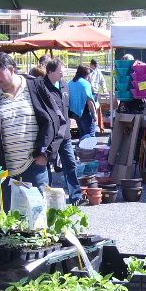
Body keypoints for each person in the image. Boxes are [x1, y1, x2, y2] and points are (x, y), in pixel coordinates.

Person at [0, 52, 57, 206]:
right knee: (12, 224)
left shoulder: (35, 87)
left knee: (38, 219)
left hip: (34, 167)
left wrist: (46, 153)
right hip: (7, 173)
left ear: (11, 69)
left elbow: (56, 121)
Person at [43, 59, 83, 205]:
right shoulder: (42, 87)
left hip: (65, 134)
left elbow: (67, 107)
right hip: (50, 135)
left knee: (70, 164)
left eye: (63, 71)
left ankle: (76, 196)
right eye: (60, 72)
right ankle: (47, 198)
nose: (62, 74)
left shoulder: (65, 85)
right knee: (46, 166)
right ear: (50, 72)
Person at [68, 65, 98, 139]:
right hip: (85, 112)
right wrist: (94, 114)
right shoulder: (85, 84)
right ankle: (87, 150)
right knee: (90, 135)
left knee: (82, 134)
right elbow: (89, 100)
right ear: (86, 75)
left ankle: (81, 149)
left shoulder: (70, 83)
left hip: (75, 112)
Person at [88, 59, 107, 132]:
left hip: (95, 93)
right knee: (90, 109)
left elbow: (103, 81)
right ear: (91, 65)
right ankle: (91, 124)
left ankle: (94, 123)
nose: (96, 67)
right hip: (89, 93)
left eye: (97, 66)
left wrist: (104, 90)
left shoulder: (98, 72)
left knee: (94, 108)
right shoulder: (88, 71)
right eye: (95, 65)